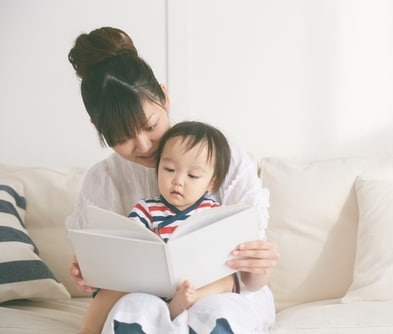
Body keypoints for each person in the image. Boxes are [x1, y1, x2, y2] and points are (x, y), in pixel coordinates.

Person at [66, 27, 279, 334]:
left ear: (164, 97)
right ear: (97, 126)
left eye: (149, 125)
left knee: (217, 314)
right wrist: (90, 272)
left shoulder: (222, 158)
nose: (143, 145)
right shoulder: (103, 181)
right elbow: (106, 284)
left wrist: (260, 262)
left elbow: (247, 275)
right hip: (142, 301)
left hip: (222, 295)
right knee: (134, 309)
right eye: (122, 137)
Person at [82, 121, 239, 330]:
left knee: (228, 280)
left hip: (197, 288)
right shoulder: (146, 209)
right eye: (169, 169)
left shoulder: (213, 213)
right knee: (126, 297)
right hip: (152, 289)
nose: (178, 181)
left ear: (212, 181)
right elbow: (129, 243)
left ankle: (186, 301)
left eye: (192, 175)